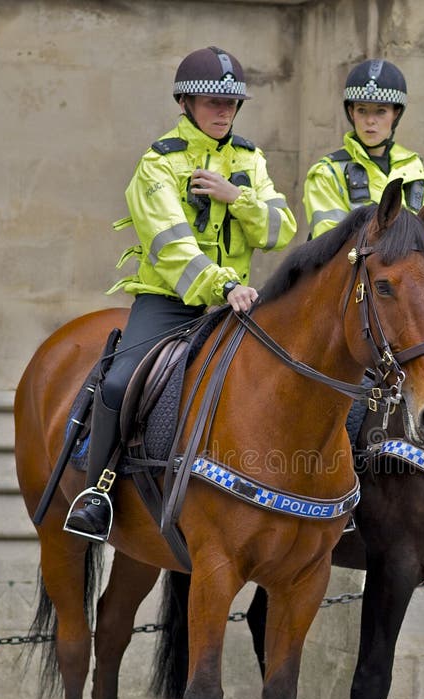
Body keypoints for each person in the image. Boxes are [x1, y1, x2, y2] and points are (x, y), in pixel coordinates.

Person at [65, 45, 297, 542]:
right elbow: (171, 246)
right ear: (186, 102)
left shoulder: (250, 160)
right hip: (171, 301)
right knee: (118, 382)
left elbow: (280, 230)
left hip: (237, 303)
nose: (223, 111)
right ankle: (98, 492)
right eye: (212, 102)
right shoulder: (157, 164)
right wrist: (224, 284)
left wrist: (238, 198)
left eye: (231, 103)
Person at [303, 58, 424, 282]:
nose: (370, 121)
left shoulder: (412, 167)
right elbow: (330, 243)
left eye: (380, 111)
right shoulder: (327, 171)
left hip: (403, 285)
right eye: (362, 110)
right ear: (351, 112)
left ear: (396, 114)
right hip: (349, 285)